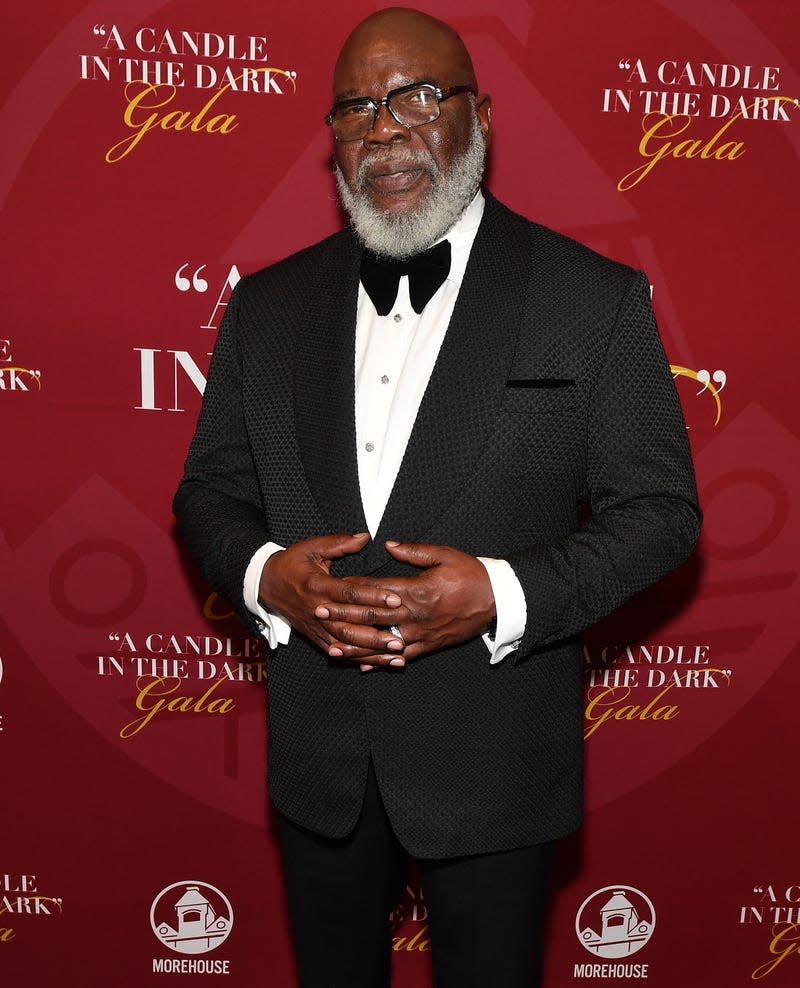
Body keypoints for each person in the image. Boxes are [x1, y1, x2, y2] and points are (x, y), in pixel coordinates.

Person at [173, 7, 701, 986]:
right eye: (357, 107)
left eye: (418, 97)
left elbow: (660, 513)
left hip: (495, 756)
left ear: (481, 116)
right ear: (331, 136)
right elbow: (208, 491)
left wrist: (501, 594)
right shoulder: (268, 305)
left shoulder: (591, 298)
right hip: (319, 762)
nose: (384, 128)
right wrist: (263, 576)